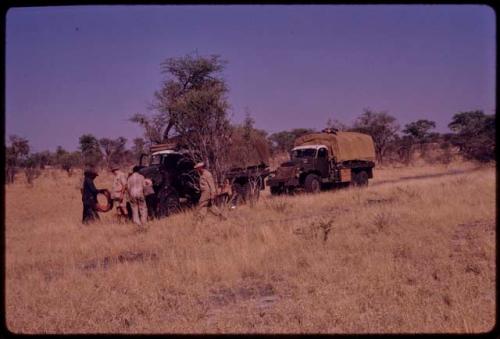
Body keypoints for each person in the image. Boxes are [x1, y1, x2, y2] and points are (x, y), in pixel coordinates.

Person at [127, 166, 148, 230]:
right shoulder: (141, 177)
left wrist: (129, 195)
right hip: (140, 193)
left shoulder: (129, 178)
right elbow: (144, 186)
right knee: (143, 208)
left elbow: (128, 188)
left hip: (132, 194)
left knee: (134, 209)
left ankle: (137, 223)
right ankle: (143, 222)